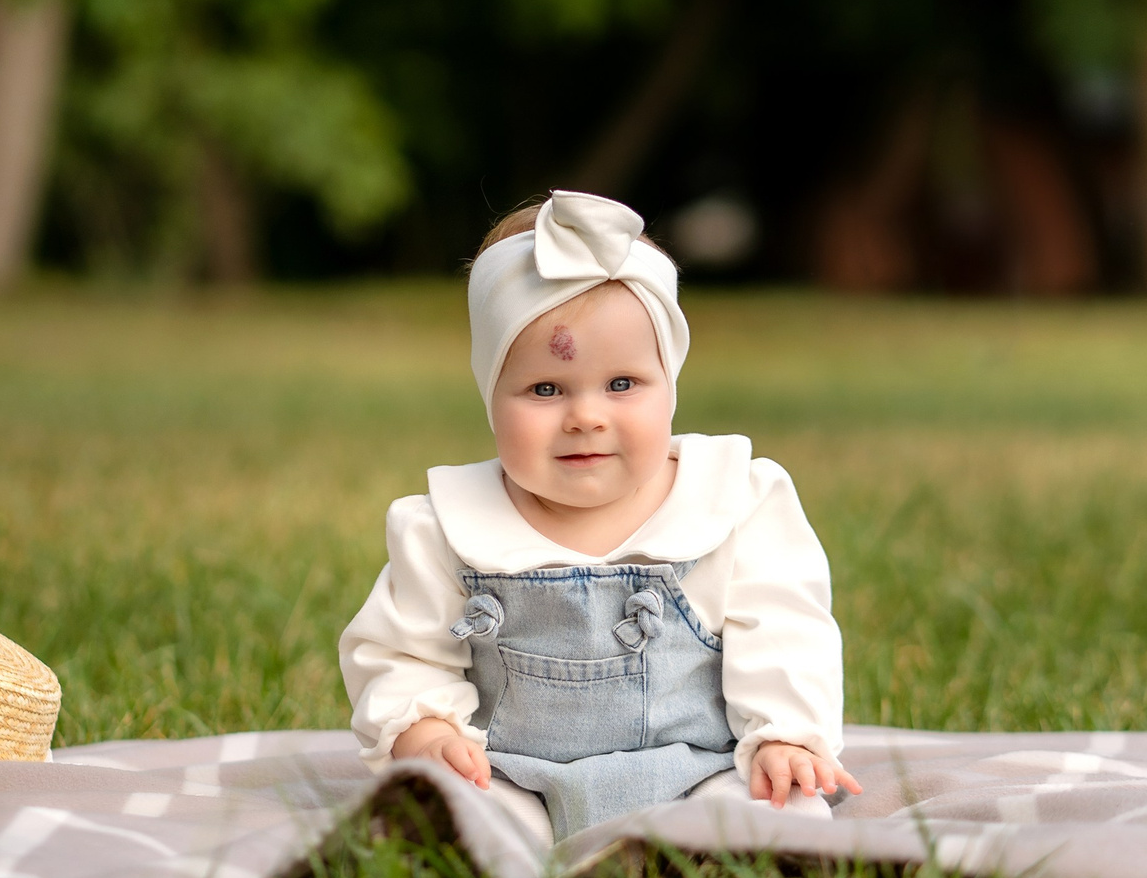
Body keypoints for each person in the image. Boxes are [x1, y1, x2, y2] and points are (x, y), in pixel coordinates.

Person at [338, 189, 863, 841]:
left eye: (622, 384)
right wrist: (425, 727)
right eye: (545, 389)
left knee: (779, 810)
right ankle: (497, 859)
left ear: (670, 383)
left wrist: (785, 734)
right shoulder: (447, 525)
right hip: (508, 775)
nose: (586, 415)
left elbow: (785, 629)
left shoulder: (731, 500)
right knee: (446, 817)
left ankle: (711, 856)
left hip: (701, 769)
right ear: (489, 394)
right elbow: (400, 649)